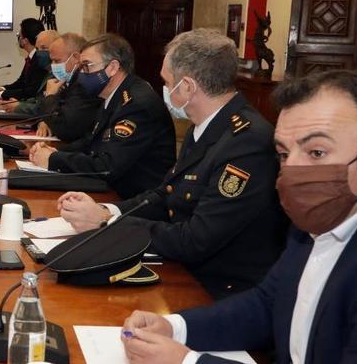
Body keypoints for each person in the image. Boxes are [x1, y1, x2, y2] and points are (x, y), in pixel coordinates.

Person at [120, 69, 357, 364]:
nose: (293, 170)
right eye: (283, 153)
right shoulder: (333, 205)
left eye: (316, 152)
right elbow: (270, 303)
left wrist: (188, 362)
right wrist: (175, 326)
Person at [57, 30, 286, 298]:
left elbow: (196, 239)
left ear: (187, 86)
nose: (163, 90)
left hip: (216, 289)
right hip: (180, 266)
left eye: (167, 82)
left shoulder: (246, 143)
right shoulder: (205, 125)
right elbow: (164, 195)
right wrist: (107, 210)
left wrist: (108, 223)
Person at [30, 34, 176, 199]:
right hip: (112, 190)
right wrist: (54, 151)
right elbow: (90, 142)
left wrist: (54, 159)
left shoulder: (136, 105)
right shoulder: (113, 95)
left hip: (133, 201)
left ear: (113, 67)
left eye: (87, 66)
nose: (82, 73)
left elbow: (106, 166)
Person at [33, 33, 109, 143]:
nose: (53, 66)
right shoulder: (67, 80)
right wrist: (43, 121)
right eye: (52, 61)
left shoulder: (84, 83)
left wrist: (49, 96)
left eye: (57, 61)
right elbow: (47, 110)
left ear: (76, 58)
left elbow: (66, 128)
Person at [0, 18, 49, 101]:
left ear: (25, 41)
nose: (18, 37)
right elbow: (21, 82)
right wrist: (3, 88)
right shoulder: (32, 57)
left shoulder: (40, 60)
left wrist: (1, 94)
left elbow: (30, 92)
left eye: (19, 35)